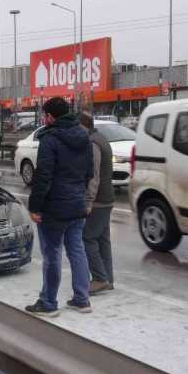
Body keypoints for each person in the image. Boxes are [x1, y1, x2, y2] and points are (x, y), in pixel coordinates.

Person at [25, 97, 94, 317]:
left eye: (44, 115)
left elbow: (43, 176)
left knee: (52, 254)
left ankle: (48, 302)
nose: (43, 119)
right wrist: (79, 194)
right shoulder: (83, 136)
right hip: (76, 204)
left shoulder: (50, 138)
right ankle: (82, 299)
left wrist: (35, 207)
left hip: (54, 207)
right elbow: (89, 172)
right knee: (77, 250)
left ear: (50, 117)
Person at [80, 112, 115, 295]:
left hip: (99, 200)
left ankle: (100, 278)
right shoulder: (101, 138)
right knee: (103, 240)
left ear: (82, 127)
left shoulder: (92, 143)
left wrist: (88, 202)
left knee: (88, 238)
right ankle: (108, 279)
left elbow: (93, 176)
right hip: (107, 197)